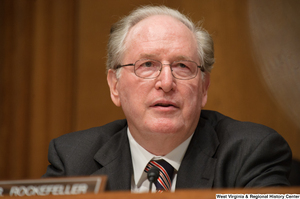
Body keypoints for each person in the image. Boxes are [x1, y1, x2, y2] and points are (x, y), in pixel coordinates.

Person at [43, 5, 292, 192]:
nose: (166, 83)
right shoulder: (73, 159)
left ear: (204, 87)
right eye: (148, 64)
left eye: (182, 66)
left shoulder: (251, 153)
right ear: (115, 85)